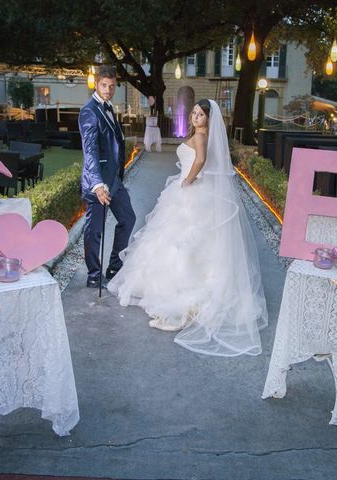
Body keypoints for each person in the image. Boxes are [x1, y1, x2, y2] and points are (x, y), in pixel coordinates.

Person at [108, 99, 268, 356]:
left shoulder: (202, 137)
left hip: (192, 191)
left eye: (200, 114)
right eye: (194, 113)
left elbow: (201, 159)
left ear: (208, 119)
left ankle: (186, 294)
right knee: (177, 239)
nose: (195, 117)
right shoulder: (199, 134)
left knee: (185, 241)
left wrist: (189, 179)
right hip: (189, 190)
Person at [79, 65, 136, 288]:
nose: (108, 90)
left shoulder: (110, 108)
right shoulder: (89, 111)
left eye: (112, 86)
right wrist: (97, 184)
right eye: (104, 85)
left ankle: (115, 267)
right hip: (98, 183)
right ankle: (94, 275)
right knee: (94, 230)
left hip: (114, 181)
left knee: (128, 219)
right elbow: (90, 149)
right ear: (96, 83)